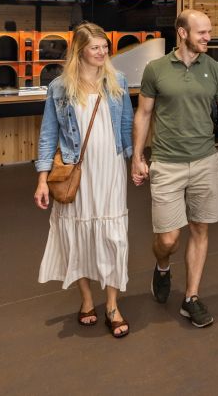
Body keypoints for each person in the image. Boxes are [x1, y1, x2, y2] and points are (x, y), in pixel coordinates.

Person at [131, 9, 218, 328]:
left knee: (200, 229)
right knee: (168, 239)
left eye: (209, 32)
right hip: (166, 163)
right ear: (182, 33)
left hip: (205, 162)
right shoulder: (156, 70)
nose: (208, 38)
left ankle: (191, 298)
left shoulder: (216, 69)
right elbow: (143, 114)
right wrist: (137, 156)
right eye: (202, 33)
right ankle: (163, 266)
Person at [34, 22, 135, 338]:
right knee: (77, 233)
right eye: (95, 48)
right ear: (80, 51)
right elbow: (49, 135)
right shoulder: (60, 88)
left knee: (113, 236)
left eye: (105, 47)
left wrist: (137, 162)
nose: (103, 52)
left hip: (111, 170)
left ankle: (113, 304)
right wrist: (42, 179)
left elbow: (127, 126)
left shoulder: (117, 81)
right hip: (77, 173)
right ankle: (88, 300)